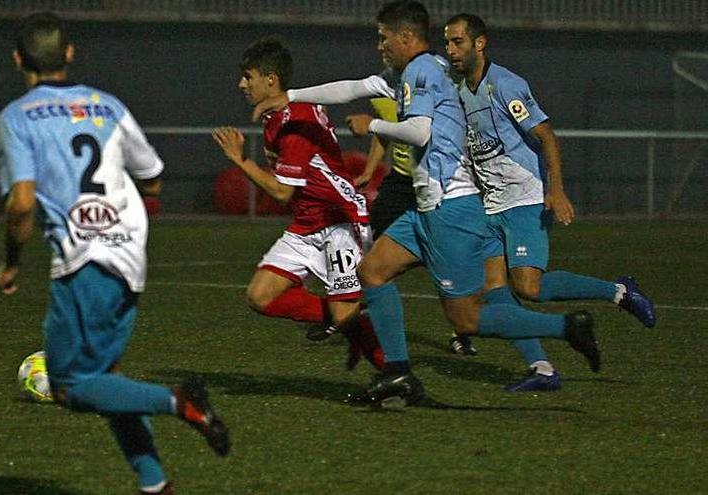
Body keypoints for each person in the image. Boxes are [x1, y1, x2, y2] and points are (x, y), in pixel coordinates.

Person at [253, 0, 603, 407]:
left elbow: (420, 132)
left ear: (405, 37)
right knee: (373, 271)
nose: (379, 45)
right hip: (430, 208)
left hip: (450, 211)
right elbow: (356, 87)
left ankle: (568, 328)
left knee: (466, 320)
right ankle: (398, 373)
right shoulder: (419, 68)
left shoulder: (420, 71)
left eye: (384, 37)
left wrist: (374, 126)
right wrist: (290, 97)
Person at [0, 13, 229, 495]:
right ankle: (155, 485)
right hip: (127, 260)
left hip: (84, 263)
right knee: (108, 381)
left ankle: (178, 401)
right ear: (70, 53)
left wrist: (12, 261)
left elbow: (20, 204)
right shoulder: (109, 106)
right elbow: (152, 175)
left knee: (71, 388)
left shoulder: (18, 116)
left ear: (18, 59)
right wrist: (139, 224)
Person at [443, 13, 656, 391]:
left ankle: (620, 292)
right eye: (447, 43)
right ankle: (542, 369)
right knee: (494, 291)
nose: (450, 50)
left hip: (524, 198)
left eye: (457, 41)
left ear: (480, 43)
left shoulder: (506, 85)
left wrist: (554, 190)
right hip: (491, 204)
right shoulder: (459, 89)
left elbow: (548, 137)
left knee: (529, 288)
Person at [212, 37, 385, 372]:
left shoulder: (295, 121)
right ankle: (347, 321)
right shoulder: (282, 114)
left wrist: (240, 160)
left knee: (346, 314)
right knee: (260, 295)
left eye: (248, 76)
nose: (241, 84)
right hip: (308, 223)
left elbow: (280, 193)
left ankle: (395, 375)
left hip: (339, 223)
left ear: (271, 80)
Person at [358, 96, 478, 357]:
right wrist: (369, 170)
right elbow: (382, 131)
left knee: (444, 261)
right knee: (375, 250)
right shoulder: (381, 92)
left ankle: (462, 332)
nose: (382, 52)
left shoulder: (435, 85)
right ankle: (369, 306)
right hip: (400, 183)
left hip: (436, 183)